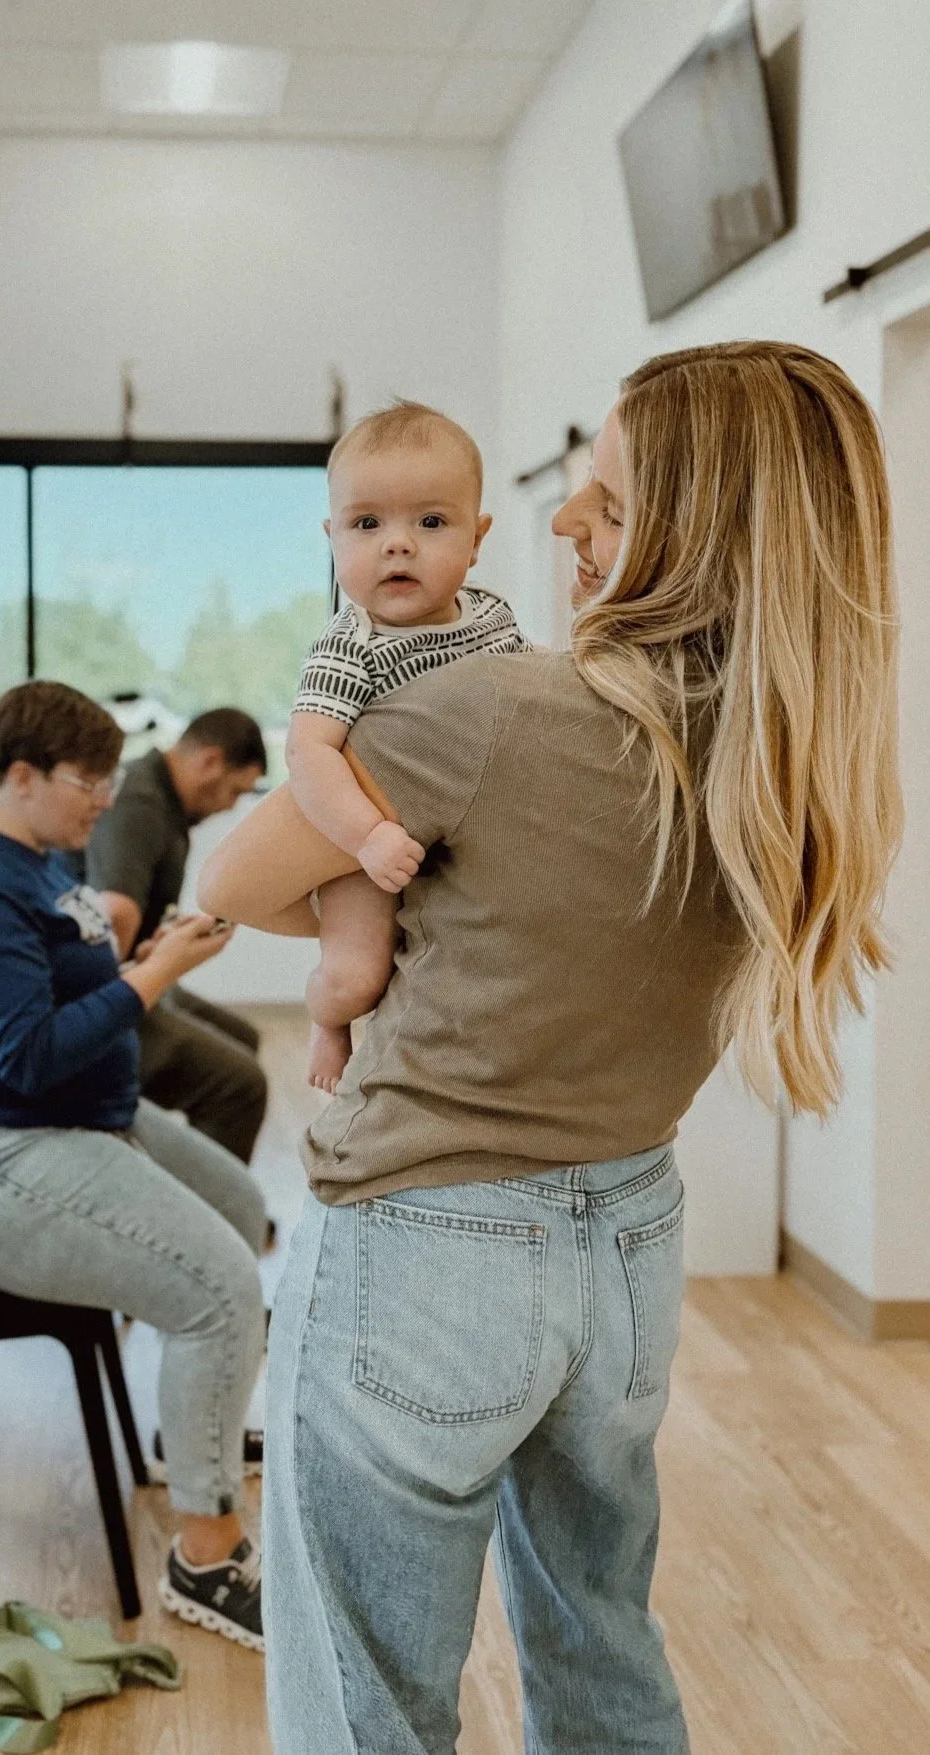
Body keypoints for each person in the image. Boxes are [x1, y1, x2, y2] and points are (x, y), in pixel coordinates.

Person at [198, 342, 901, 1751]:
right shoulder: (775, 751)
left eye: (610, 500)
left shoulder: (486, 709)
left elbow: (230, 880)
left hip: (424, 1242)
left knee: (368, 1696)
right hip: (629, 1244)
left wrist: (371, 917)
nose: (567, 523)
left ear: (692, 536)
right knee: (599, 1640)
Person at [0, 679, 268, 1650]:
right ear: (21, 777)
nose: (104, 799)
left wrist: (155, 949)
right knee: (219, 1287)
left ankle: (197, 1435)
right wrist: (156, 974)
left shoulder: (41, 863)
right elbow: (28, 1056)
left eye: (107, 778)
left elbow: (81, 975)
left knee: (240, 1207)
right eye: (85, 781)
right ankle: (205, 1554)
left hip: (68, 1123)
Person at [286, 401, 524, 1092]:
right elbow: (309, 752)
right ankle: (325, 1017)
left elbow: (526, 691)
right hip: (369, 845)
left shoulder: (493, 617)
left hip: (464, 832)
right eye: (367, 524)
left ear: (476, 538)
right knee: (359, 974)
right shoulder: (349, 642)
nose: (398, 543)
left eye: (430, 521)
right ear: (333, 538)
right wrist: (365, 838)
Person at [86, 707, 269, 1164]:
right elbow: (116, 914)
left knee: (243, 1038)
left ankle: (213, 1189)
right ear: (209, 761)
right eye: (235, 790)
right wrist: (153, 961)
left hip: (127, 969)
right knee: (241, 1084)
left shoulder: (160, 797)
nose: (230, 805)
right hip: (97, 992)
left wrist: (160, 943)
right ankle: (216, 1220)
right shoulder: (142, 803)